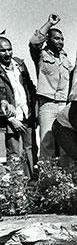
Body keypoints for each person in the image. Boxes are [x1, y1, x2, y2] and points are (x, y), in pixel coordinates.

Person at [29, 14, 73, 159]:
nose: (60, 41)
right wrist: (49, 23)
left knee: (66, 143)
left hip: (63, 104)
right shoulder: (41, 55)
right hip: (47, 104)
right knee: (47, 142)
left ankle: (65, 179)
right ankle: (47, 178)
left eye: (62, 39)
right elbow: (34, 42)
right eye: (56, 38)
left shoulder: (65, 58)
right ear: (48, 39)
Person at [0, 36, 36, 177]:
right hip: (11, 119)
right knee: (14, 154)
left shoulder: (19, 65)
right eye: (2, 51)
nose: (7, 53)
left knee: (30, 151)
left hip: (26, 115)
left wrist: (35, 112)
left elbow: (30, 89)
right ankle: (17, 192)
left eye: (9, 49)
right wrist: (11, 119)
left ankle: (31, 188)